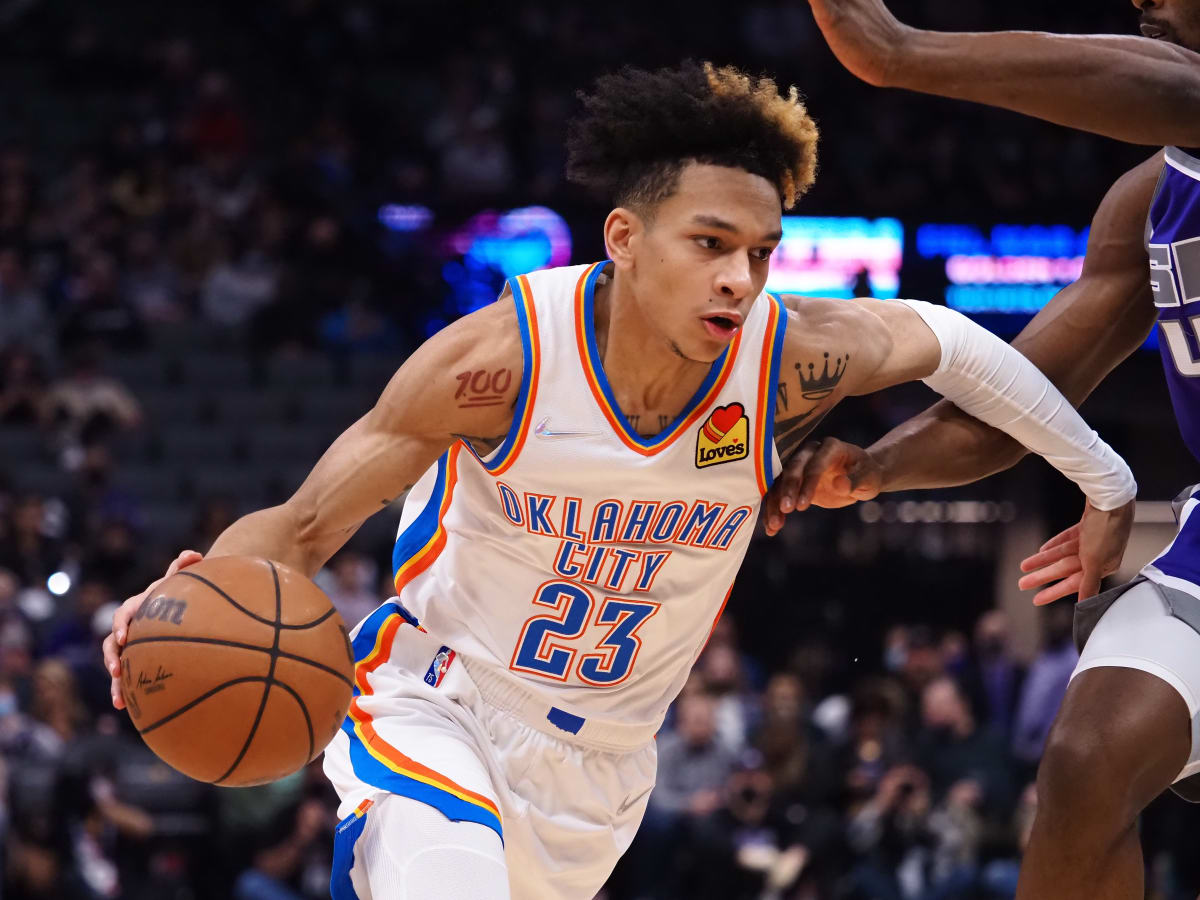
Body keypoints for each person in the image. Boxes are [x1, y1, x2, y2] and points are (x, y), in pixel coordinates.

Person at [103, 61, 1137, 899]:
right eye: (712, 244)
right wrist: (164, 607)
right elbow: (301, 527)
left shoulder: (785, 357)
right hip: (439, 708)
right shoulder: (500, 364)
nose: (741, 276)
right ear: (626, 241)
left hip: (606, 769)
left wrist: (1105, 481)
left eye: (763, 252)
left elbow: (955, 345)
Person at [767, 1, 1200, 897]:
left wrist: (904, 52)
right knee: (1086, 761)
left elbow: (1178, 90)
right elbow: (1017, 401)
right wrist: (877, 467)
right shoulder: (1150, 199)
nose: (1145, 2)